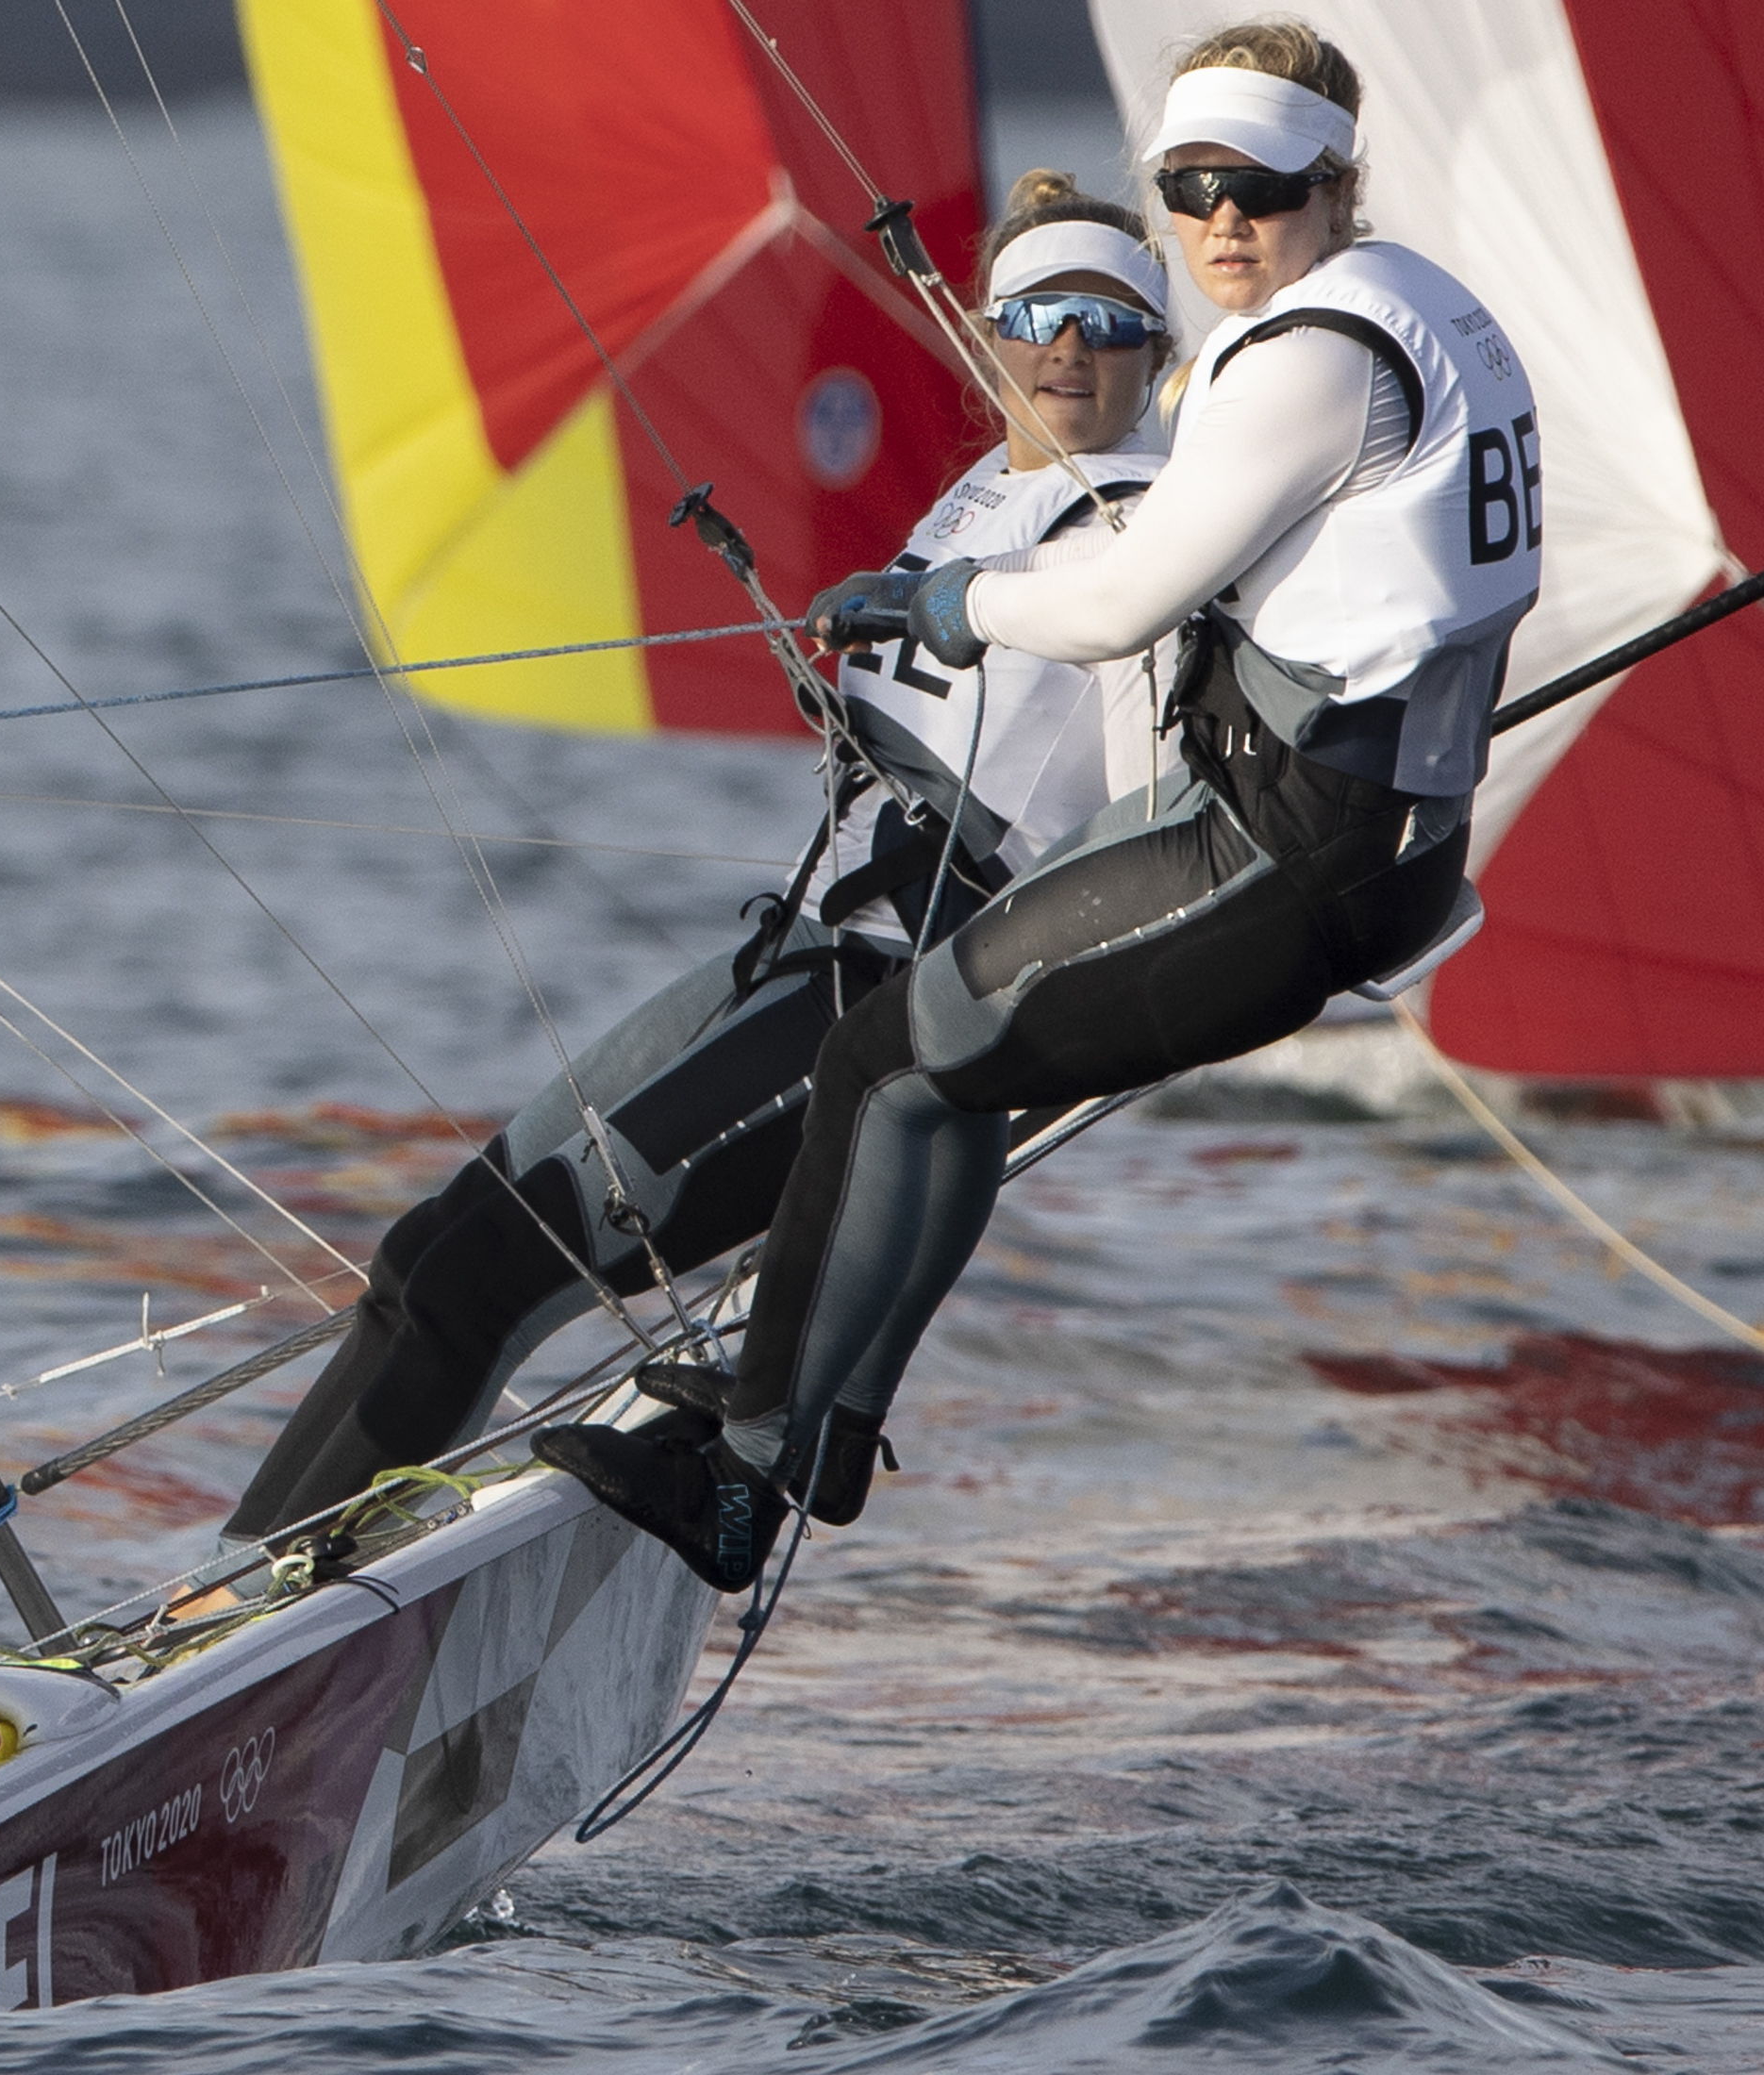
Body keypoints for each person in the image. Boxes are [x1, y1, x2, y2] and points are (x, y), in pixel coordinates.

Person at [534, 19, 1538, 1589]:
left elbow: (1123, 597)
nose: (1219, 226)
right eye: (1190, 187)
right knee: (955, 1075)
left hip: (1285, 859)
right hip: (1375, 844)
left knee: (884, 1057)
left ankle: (743, 1464)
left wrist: (951, 609)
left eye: (1258, 191)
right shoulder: (1433, 312)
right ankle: (828, 1423)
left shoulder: (1306, 356)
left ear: (1335, 184)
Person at [223, 172, 1181, 1549]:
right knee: (431, 1253)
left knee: (496, 1274)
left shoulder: (1145, 532)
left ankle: (271, 1614)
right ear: (983, 340)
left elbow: (1146, 814)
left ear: (1161, 353)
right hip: (799, 950)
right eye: (1038, 315)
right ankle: (226, 1589)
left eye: (1110, 321)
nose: (1071, 349)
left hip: (889, 1004)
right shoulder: (987, 496)